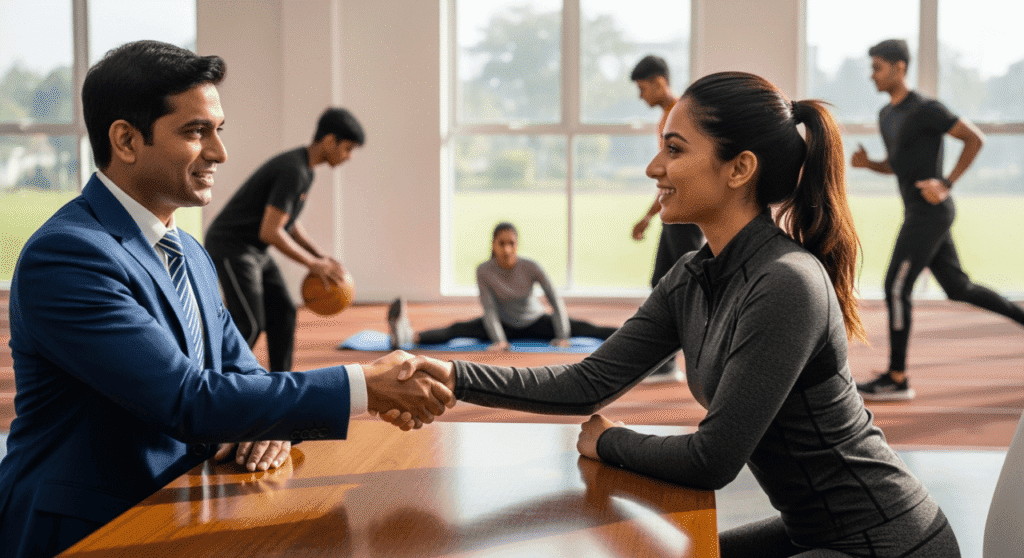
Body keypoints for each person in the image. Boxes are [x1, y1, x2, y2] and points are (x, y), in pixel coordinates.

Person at [387, 71, 962, 557]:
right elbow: (588, 382)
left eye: (675, 150)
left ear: (739, 168)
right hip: (814, 530)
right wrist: (453, 375)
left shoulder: (787, 283)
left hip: (889, 541)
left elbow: (712, 459)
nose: (653, 168)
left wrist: (610, 441)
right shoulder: (692, 276)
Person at [0, 40, 452, 558]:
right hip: (82, 529)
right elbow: (186, 400)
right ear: (125, 140)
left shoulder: (190, 252)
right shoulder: (69, 255)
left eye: (219, 130)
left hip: (175, 512)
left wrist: (266, 421)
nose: (219, 152)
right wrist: (363, 387)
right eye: (196, 131)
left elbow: (246, 379)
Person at [852, 39, 1024, 401]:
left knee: (896, 287)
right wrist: (870, 165)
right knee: (959, 287)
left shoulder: (926, 109)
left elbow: (974, 139)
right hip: (919, 213)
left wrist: (946, 183)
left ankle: (897, 378)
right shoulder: (886, 116)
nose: (872, 75)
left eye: (877, 67)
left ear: (899, 67)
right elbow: (897, 165)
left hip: (930, 214)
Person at [205, 107, 362, 372]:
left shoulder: (305, 169)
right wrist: (313, 264)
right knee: (250, 323)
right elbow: (271, 232)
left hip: (254, 250)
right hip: (232, 246)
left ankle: (282, 381)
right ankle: (214, 381)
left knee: (284, 311)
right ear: (329, 141)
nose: (349, 157)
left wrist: (319, 255)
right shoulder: (294, 170)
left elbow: (288, 223)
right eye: (347, 148)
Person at [388, 222, 617, 352]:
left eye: (511, 243)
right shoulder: (484, 271)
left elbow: (555, 300)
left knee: (585, 328)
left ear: (517, 245)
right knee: (456, 330)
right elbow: (489, 309)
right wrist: (499, 340)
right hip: (502, 324)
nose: (507, 249)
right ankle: (407, 335)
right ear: (493, 245)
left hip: (535, 321)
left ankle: (628, 336)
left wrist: (562, 335)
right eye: (501, 243)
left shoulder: (531, 267)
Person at [629, 54, 704, 382]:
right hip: (673, 211)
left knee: (693, 288)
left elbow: (680, 172)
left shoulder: (681, 116)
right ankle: (665, 363)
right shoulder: (667, 118)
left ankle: (708, 361)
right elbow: (668, 174)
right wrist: (650, 216)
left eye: (642, 88)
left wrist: (649, 216)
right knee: (661, 283)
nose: (640, 96)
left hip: (685, 212)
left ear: (659, 82)